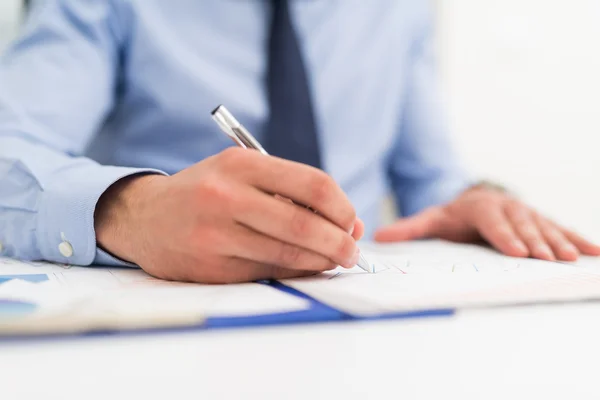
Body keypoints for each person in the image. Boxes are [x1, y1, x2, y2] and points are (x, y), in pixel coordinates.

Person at [1, 0, 598, 284]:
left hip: (360, 314)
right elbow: (11, 149)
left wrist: (474, 200)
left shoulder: (401, 10)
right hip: (165, 312)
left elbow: (430, 183)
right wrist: (128, 210)